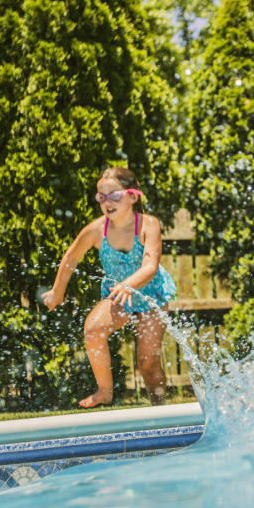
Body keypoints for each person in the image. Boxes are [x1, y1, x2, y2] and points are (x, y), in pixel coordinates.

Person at [41, 167, 176, 407]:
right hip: (117, 295)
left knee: (148, 364)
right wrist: (56, 292)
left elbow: (150, 266)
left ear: (133, 196)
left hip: (151, 296)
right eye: (101, 196)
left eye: (114, 195)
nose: (107, 202)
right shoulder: (96, 230)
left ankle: (159, 406)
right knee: (93, 328)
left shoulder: (148, 225)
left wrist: (128, 284)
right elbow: (72, 257)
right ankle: (104, 390)